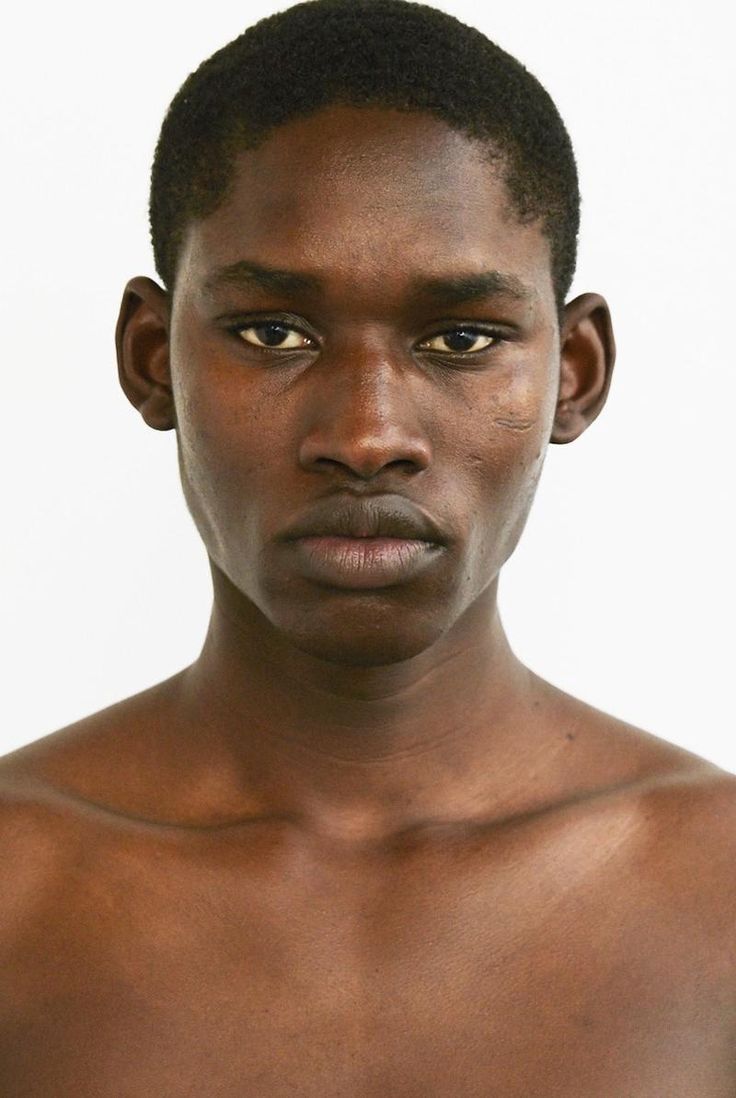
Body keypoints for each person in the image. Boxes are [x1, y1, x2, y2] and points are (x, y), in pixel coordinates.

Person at [2, 0, 735, 1092]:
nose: (365, 436)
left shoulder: (717, 895)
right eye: (273, 333)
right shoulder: (14, 888)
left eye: (459, 339)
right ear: (153, 359)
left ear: (572, 373)